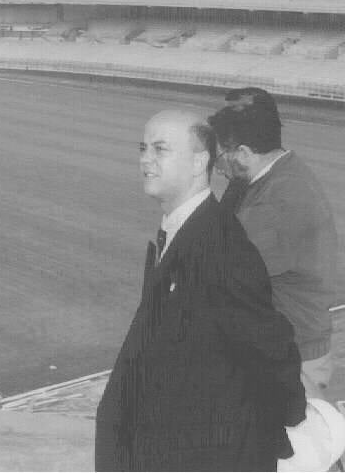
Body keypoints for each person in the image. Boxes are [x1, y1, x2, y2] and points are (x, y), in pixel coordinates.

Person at [95, 109, 306, 472]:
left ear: (199, 162)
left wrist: (275, 427)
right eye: (143, 148)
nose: (146, 159)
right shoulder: (186, 234)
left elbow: (271, 351)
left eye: (160, 149)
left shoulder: (222, 248)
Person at [208, 89, 339, 399]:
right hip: (284, 350)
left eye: (219, 157)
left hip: (290, 360)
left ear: (242, 153)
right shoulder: (272, 176)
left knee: (287, 445)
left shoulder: (277, 205)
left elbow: (212, 267)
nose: (216, 168)